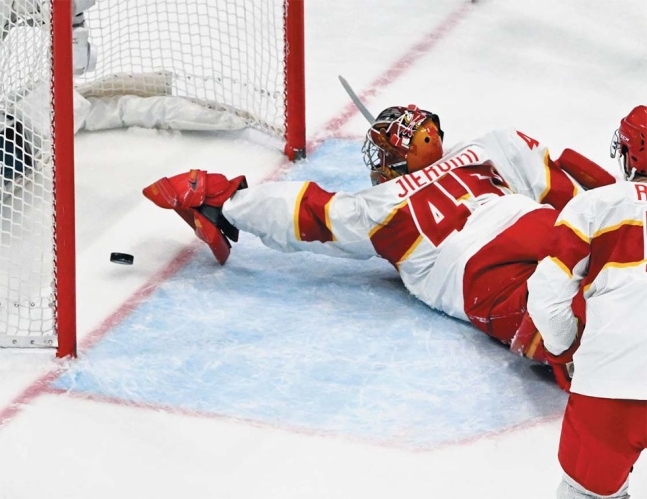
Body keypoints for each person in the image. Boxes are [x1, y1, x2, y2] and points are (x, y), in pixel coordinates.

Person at [142, 104, 615, 370]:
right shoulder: (483, 147)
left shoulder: (382, 206)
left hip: (479, 270)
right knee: (611, 266)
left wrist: (225, 198)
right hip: (536, 223)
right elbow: (559, 178)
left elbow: (306, 211)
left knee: (561, 336)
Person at [527, 105, 647, 499]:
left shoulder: (594, 205)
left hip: (611, 385)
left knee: (587, 494)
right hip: (611, 382)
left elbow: (547, 298)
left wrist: (563, 350)